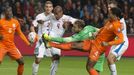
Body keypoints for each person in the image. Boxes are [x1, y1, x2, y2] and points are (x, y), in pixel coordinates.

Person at [42, 7, 124, 75]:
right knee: (73, 45)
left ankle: (50, 43)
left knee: (90, 68)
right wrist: (97, 32)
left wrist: (108, 43)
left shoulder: (116, 26)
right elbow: (104, 29)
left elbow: (121, 39)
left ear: (115, 15)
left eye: (110, 13)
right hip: (93, 43)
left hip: (99, 49)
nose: (108, 14)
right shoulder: (109, 22)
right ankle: (50, 44)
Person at [31, 1, 76, 75]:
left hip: (55, 41)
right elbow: (36, 23)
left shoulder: (61, 17)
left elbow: (74, 21)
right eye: (46, 7)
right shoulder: (45, 16)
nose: (48, 8)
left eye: (50, 7)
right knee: (38, 60)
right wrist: (35, 34)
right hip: (44, 40)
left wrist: (69, 25)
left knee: (55, 59)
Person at [0, 6, 31, 75]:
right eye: (7, 11)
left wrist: (28, 43)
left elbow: (20, 33)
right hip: (1, 45)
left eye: (10, 11)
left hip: (11, 46)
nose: (9, 13)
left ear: (12, 12)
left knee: (21, 62)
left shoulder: (15, 22)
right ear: (4, 13)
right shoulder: (1, 22)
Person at [107, 1, 129, 75]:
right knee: (109, 61)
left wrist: (120, 28)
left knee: (110, 58)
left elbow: (121, 25)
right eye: (108, 7)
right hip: (116, 43)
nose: (109, 8)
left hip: (122, 42)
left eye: (111, 7)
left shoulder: (119, 18)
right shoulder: (111, 19)